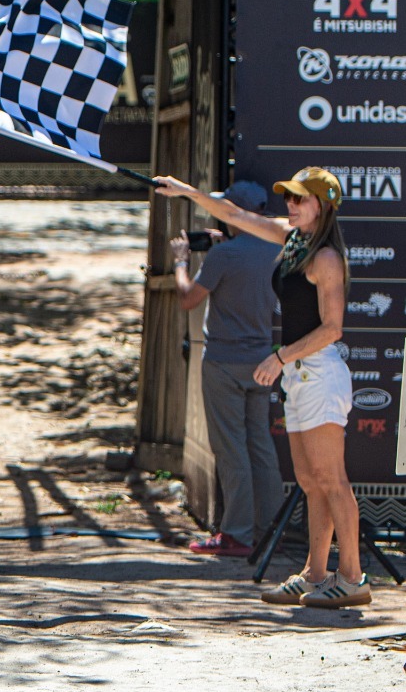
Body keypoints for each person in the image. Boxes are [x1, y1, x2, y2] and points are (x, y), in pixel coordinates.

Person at [155, 167, 369, 608]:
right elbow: (232, 212)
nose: (290, 206)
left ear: (323, 207)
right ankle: (315, 573)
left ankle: (353, 578)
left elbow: (332, 328)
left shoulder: (326, 256)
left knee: (333, 479)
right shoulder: (292, 239)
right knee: (310, 481)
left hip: (319, 373)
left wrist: (280, 356)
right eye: (287, 198)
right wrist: (185, 191)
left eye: (299, 199)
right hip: (299, 374)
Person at [168, 180, 284, 558]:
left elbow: (188, 300)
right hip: (262, 362)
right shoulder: (279, 249)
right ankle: (271, 528)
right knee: (260, 446)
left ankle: (236, 533)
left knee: (231, 450)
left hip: (223, 362)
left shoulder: (224, 257)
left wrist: (182, 262)